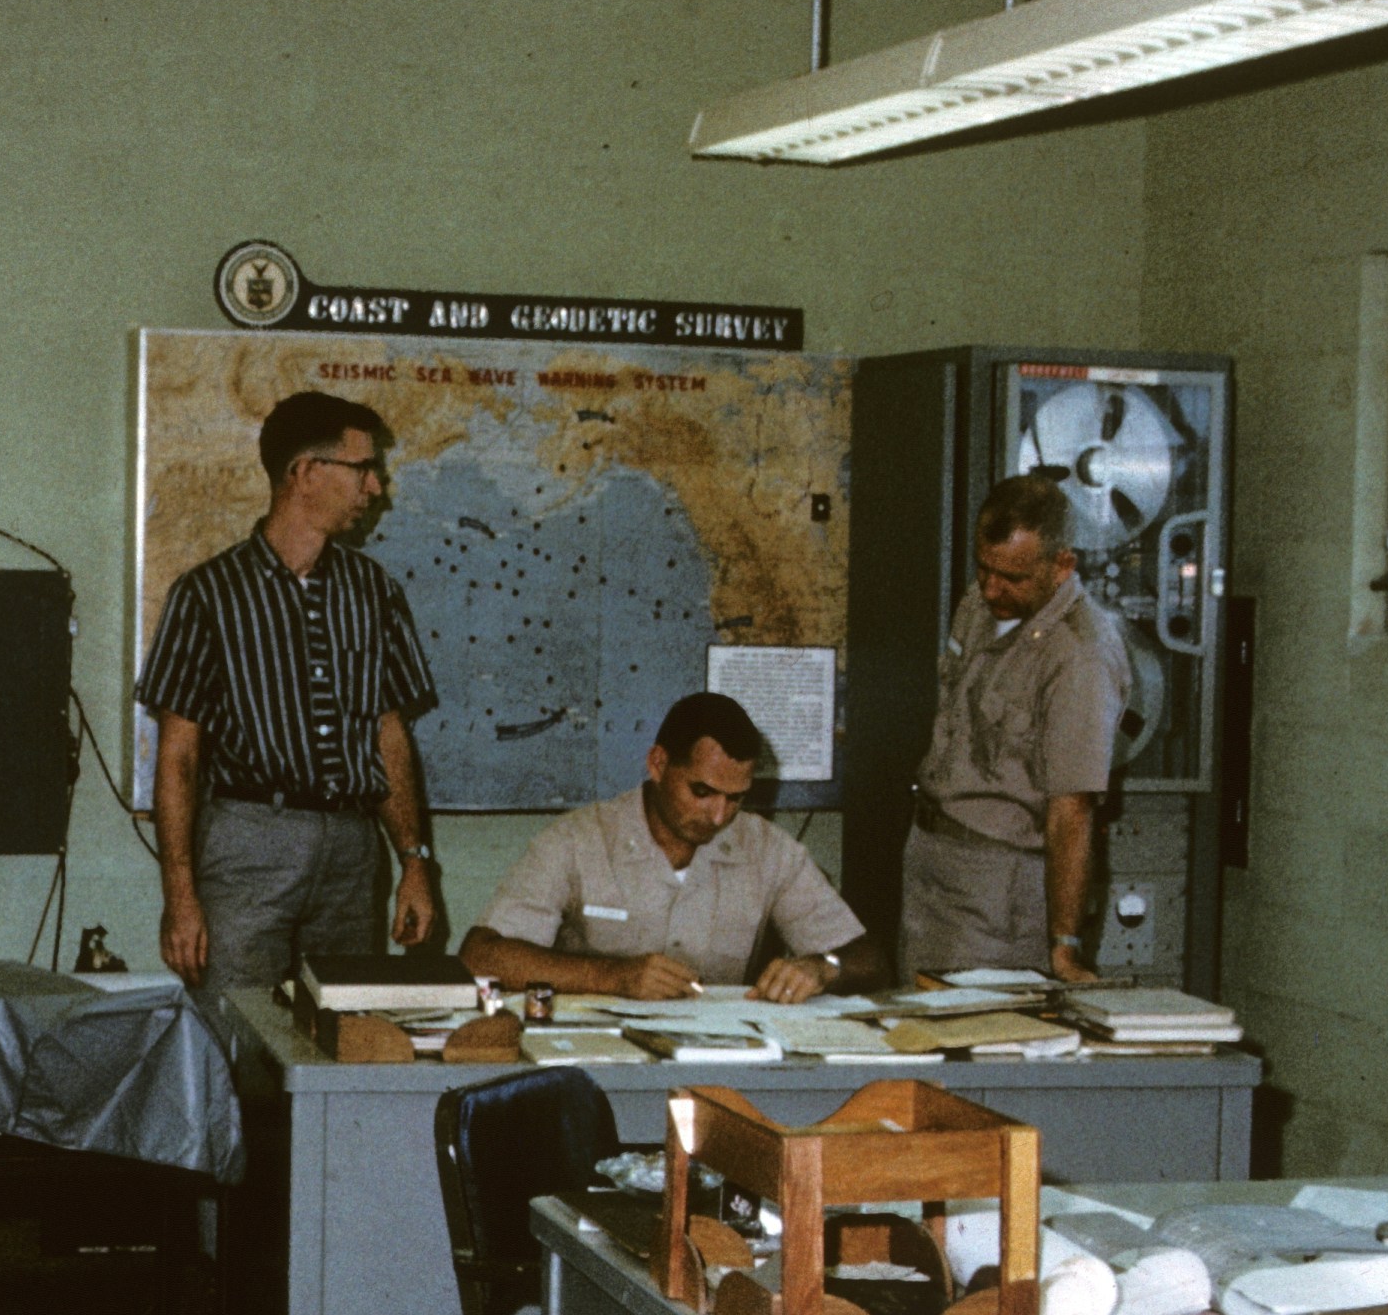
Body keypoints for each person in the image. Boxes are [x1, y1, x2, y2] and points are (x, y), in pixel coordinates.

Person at [139, 390, 442, 1001]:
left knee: (340, 1036)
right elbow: (178, 758)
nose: (374, 488)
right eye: (362, 469)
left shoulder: (373, 591)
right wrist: (180, 896)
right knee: (236, 1036)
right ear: (304, 473)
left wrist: (414, 861)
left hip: (353, 854)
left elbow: (389, 736)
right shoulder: (208, 594)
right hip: (249, 842)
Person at [462, 692, 877, 1005]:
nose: (719, 816)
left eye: (736, 798)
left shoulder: (770, 851)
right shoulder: (578, 840)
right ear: (658, 764)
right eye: (702, 791)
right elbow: (482, 955)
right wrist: (613, 976)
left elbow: (870, 960)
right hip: (597, 1062)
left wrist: (825, 968)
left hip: (717, 1061)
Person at [904, 471, 1127, 982]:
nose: (991, 588)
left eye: (1012, 578)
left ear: (1062, 565)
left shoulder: (1079, 658)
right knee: (915, 1037)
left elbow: (1071, 813)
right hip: (931, 858)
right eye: (983, 568)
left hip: (997, 882)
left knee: (969, 1043)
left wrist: (1064, 945)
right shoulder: (980, 603)